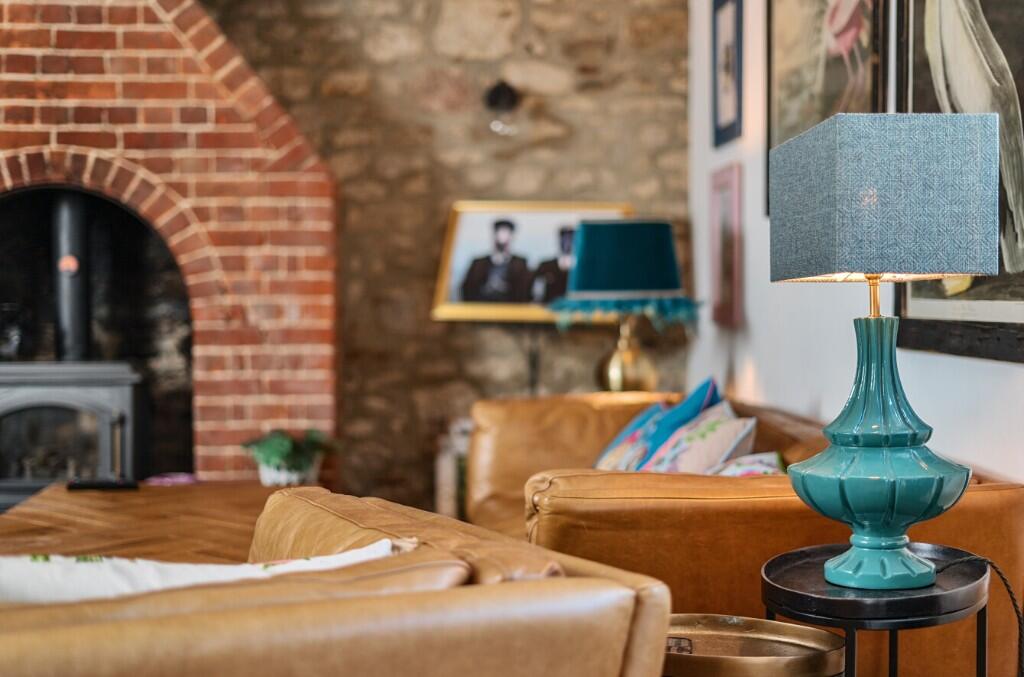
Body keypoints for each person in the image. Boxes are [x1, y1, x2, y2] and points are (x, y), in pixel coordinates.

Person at [460, 219, 531, 302]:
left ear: (511, 236)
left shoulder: (520, 263)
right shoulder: (478, 263)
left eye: (506, 233)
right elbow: (467, 288)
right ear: (494, 235)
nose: (502, 236)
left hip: (509, 307)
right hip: (482, 306)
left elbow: (524, 291)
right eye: (499, 232)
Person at [532, 226, 575, 303]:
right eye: (564, 238)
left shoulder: (582, 268)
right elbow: (537, 293)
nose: (567, 242)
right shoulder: (545, 266)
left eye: (570, 238)